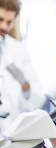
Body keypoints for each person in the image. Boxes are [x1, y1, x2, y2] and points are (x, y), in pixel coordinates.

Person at [0, 0, 47, 134]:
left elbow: (38, 99)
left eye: (9, 22)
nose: (4, 26)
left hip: (11, 130)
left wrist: (23, 82)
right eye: (0, 19)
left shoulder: (18, 50)